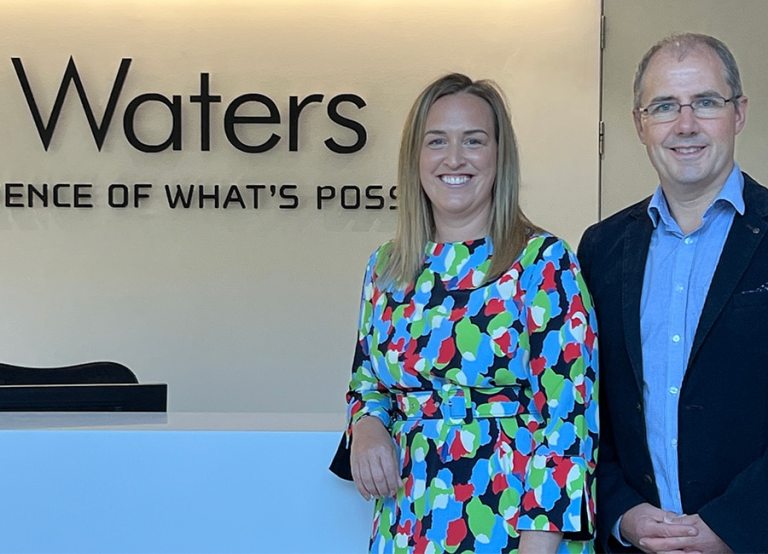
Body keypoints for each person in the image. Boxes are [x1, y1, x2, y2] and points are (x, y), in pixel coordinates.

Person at [339, 73, 598, 553]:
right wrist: (368, 427)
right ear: (415, 158)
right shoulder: (387, 267)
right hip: (408, 521)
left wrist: (539, 544)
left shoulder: (542, 262)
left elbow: (568, 421)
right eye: (437, 141)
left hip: (515, 524)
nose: (454, 158)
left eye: (473, 141)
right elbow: (367, 383)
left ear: (500, 157)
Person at [578, 33, 768, 553]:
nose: (685, 125)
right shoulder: (600, 249)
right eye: (664, 106)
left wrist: (733, 525)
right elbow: (582, 406)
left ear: (739, 112)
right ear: (640, 123)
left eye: (705, 102)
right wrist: (621, 512)